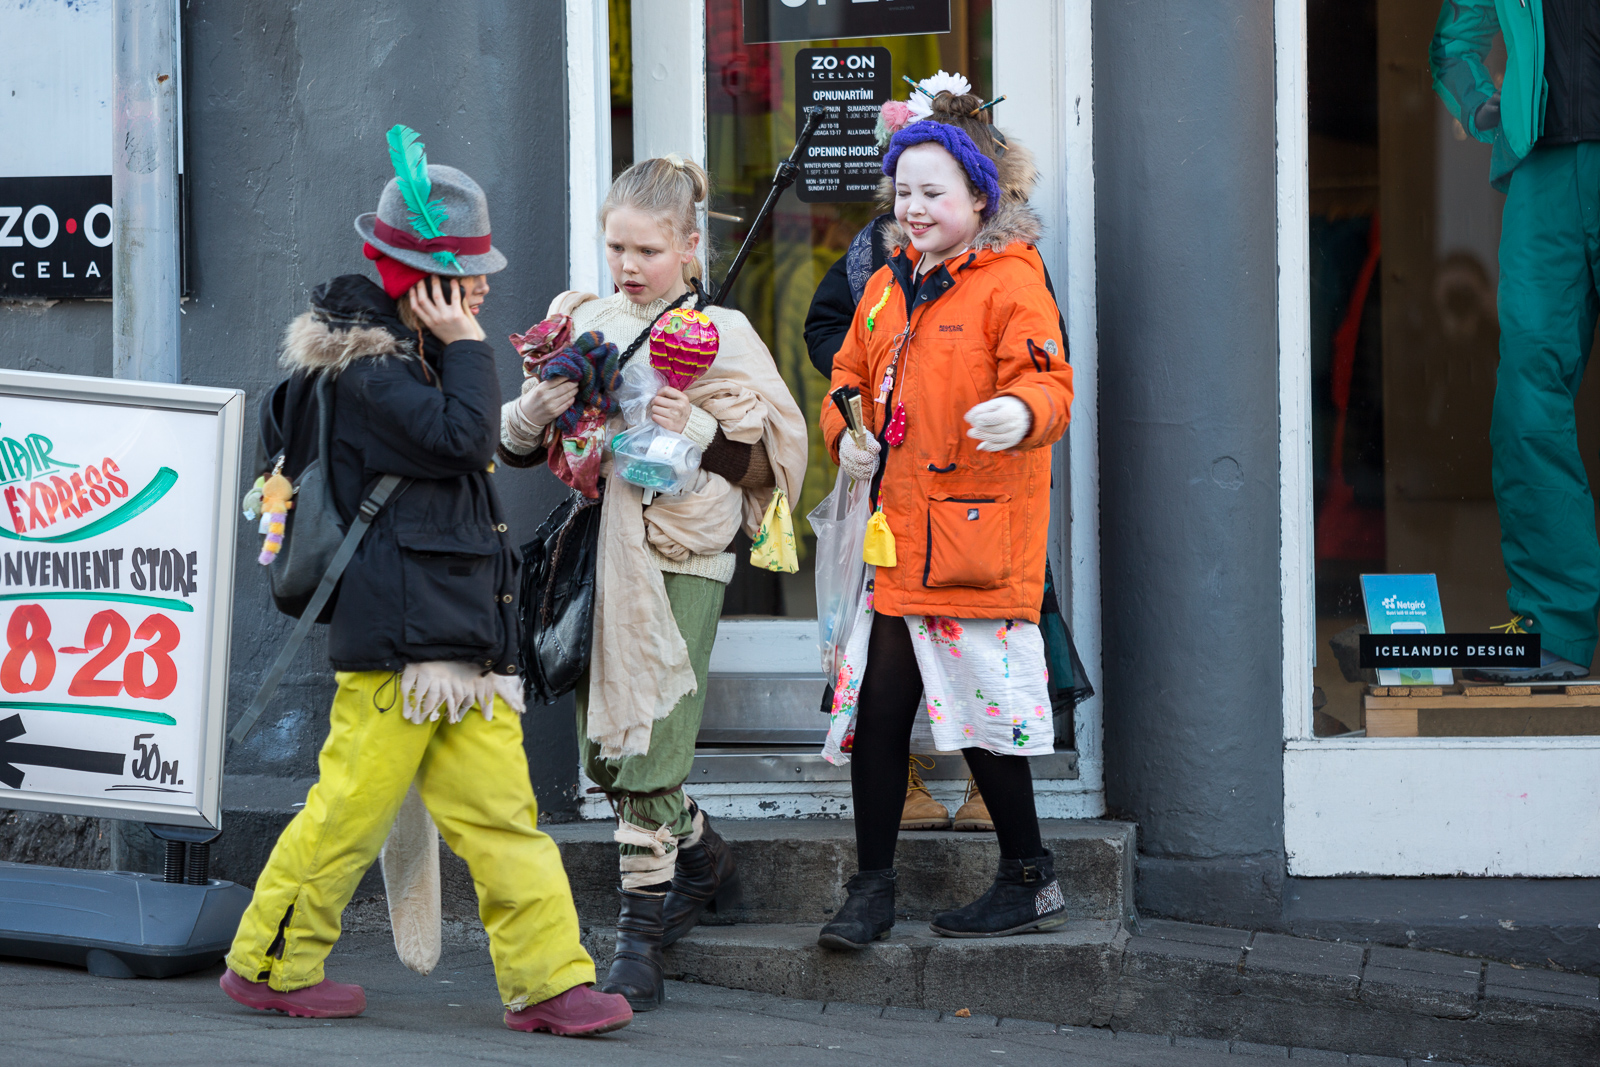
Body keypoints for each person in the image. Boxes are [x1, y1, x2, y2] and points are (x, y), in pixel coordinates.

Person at [220, 134, 632, 1037]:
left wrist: (464, 349)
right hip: (401, 647)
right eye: (466, 274)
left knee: (502, 819)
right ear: (422, 281)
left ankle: (550, 982)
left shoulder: (409, 356)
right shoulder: (369, 371)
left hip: (460, 644)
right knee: (348, 815)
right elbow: (465, 439)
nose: (482, 286)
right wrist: (470, 342)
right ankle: (267, 962)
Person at [499, 155, 808, 1010]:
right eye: (616, 246)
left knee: (648, 744)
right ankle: (703, 855)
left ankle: (638, 941)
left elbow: (771, 465)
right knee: (606, 751)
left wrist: (701, 425)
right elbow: (517, 450)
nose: (629, 265)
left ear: (688, 247)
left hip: (684, 550)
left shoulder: (725, 332)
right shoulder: (581, 316)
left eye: (647, 250)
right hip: (601, 550)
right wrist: (534, 411)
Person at [816, 86, 1075, 947]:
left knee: (986, 720)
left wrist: (1023, 411)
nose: (915, 208)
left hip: (974, 540)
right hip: (902, 541)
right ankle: (872, 887)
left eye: (934, 193)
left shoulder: (1013, 281)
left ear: (979, 199)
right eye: (903, 194)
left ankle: (1030, 876)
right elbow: (847, 376)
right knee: (882, 712)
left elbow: (1050, 384)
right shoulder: (890, 288)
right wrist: (846, 432)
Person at [1432, 1, 1600, 681]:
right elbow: (1456, 41)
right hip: (1545, 176)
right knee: (1528, 402)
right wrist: (1483, 106)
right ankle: (1553, 626)